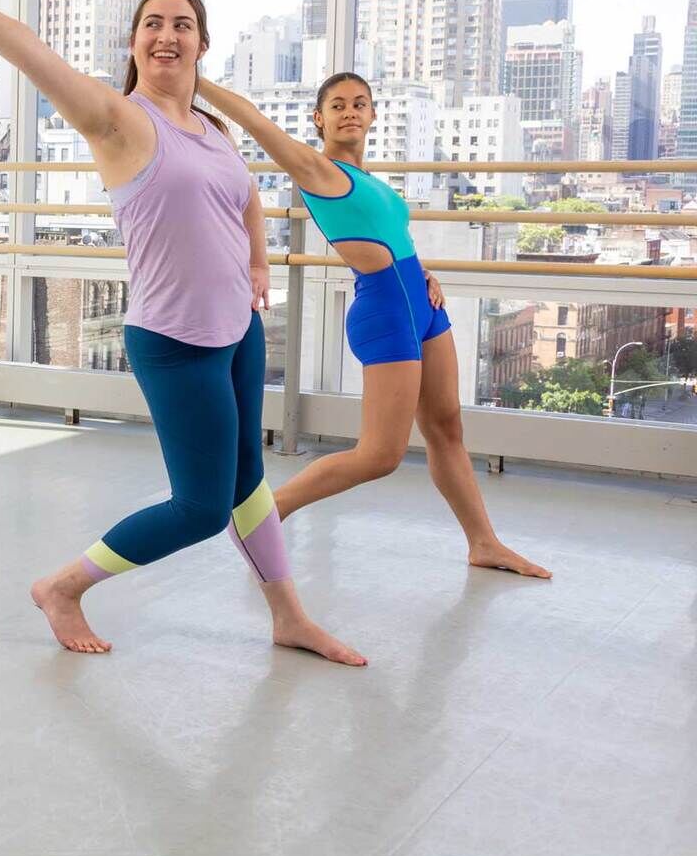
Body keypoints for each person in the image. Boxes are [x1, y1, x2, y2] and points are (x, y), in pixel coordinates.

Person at [0, 0, 364, 663]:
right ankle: (63, 586)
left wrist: (256, 262)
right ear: (134, 44)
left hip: (238, 331)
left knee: (248, 481)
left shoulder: (212, 130)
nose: (167, 36)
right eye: (152, 25)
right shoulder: (119, 120)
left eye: (181, 25)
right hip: (174, 339)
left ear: (202, 43)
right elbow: (29, 51)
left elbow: (246, 195)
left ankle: (288, 617)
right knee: (201, 508)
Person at [194, 71, 550, 579]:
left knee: (447, 429)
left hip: (422, 306)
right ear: (318, 119)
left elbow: (387, 236)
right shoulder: (316, 169)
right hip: (384, 312)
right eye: (337, 105)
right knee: (380, 455)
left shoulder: (372, 182)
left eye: (360, 103)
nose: (350, 112)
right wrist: (195, 79)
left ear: (374, 115)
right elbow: (251, 118)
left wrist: (423, 270)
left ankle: (484, 543)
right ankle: (259, 517)